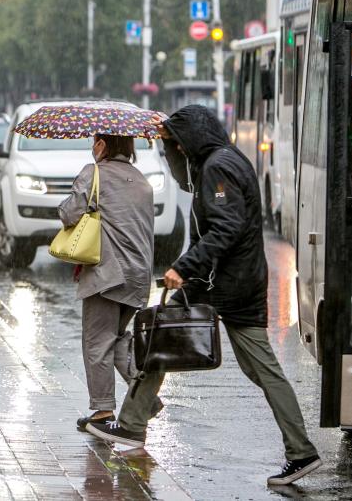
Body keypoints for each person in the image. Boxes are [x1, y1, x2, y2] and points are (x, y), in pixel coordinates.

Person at [83, 105, 321, 487]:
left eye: (177, 145)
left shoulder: (217, 167)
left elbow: (226, 229)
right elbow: (201, 201)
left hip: (228, 285)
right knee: (159, 339)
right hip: (220, 281)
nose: (175, 152)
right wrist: (167, 137)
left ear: (191, 140)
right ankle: (131, 424)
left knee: (261, 368)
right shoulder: (223, 160)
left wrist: (184, 266)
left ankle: (302, 451)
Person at [58, 134, 160, 430]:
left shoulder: (94, 173)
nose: (92, 146)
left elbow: (69, 213)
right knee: (116, 338)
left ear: (102, 145)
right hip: (137, 275)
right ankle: (147, 399)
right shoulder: (141, 180)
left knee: (97, 342)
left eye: (95, 141)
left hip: (107, 273)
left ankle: (103, 411)